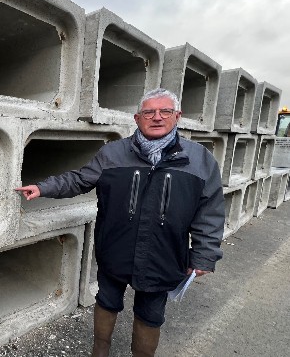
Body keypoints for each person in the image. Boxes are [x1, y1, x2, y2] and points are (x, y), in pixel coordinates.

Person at [16, 88, 224, 356]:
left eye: (165, 111)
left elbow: (210, 210)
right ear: (137, 119)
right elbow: (80, 179)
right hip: (115, 248)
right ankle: (100, 350)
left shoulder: (199, 159)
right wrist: (43, 188)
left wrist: (204, 256)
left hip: (164, 255)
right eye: (149, 112)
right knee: (107, 300)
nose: (157, 117)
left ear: (177, 116)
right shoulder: (113, 153)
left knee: (151, 315)